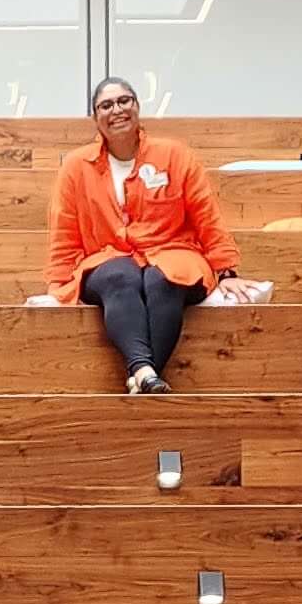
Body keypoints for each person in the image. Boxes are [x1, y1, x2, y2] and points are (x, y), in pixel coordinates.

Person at [45, 75, 237, 395]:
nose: (117, 110)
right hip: (107, 259)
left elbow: (206, 215)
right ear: (95, 118)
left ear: (137, 107)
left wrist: (227, 271)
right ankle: (146, 375)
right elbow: (64, 230)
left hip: (175, 254)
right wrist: (58, 287)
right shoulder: (76, 166)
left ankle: (143, 372)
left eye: (125, 101)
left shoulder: (175, 155)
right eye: (106, 105)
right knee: (122, 275)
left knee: (162, 279)